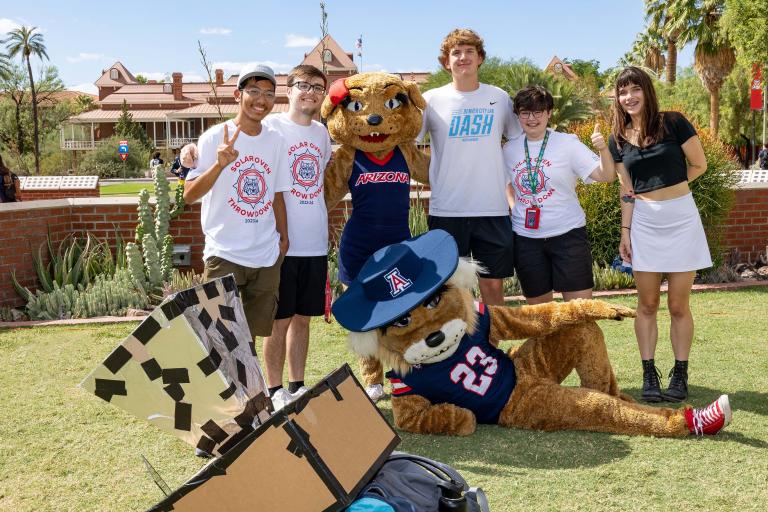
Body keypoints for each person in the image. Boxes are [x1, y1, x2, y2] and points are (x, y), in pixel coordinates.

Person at [601, 66, 709, 403]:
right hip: (644, 223)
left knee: (679, 305)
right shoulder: (617, 139)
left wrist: (673, 192)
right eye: (622, 92)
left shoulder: (674, 122)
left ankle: (680, 373)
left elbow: (699, 164)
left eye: (635, 89)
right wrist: (626, 232)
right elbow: (627, 190)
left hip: (682, 219)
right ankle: (649, 374)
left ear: (647, 91)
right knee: (647, 304)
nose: (629, 97)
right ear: (617, 99)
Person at [183, 63, 290, 362]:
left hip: (265, 254)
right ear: (237, 94)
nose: (262, 100)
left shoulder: (275, 141)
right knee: (219, 337)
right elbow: (189, 195)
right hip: (224, 252)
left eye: (269, 93)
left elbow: (277, 192)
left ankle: (250, 403)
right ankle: (225, 404)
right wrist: (219, 164)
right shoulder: (214, 137)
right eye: (254, 91)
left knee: (250, 339)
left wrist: (284, 238)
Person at [418, 28, 522, 306]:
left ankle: (491, 349)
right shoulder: (430, 99)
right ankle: (458, 350)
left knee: (493, 289)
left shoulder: (499, 98)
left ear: (480, 59)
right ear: (446, 62)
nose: (463, 57)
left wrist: (515, 194)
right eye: (456, 53)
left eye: (469, 52)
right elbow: (409, 145)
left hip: (492, 207)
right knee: (451, 292)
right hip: (447, 208)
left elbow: (517, 142)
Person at [503, 85, 616, 304]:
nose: (532, 118)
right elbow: (508, 183)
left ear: (549, 113)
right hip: (526, 240)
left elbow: (606, 175)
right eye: (525, 112)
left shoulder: (567, 144)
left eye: (538, 112)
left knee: (580, 315)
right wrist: (515, 207)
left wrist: (603, 149)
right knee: (542, 319)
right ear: (518, 115)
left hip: (568, 235)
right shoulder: (509, 149)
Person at [260, 65, 331, 410]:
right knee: (280, 319)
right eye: (303, 85)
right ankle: (274, 390)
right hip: (280, 242)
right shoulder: (270, 127)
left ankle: (297, 384)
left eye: (318, 87)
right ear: (288, 91)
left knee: (303, 318)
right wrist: (190, 153)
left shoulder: (321, 134)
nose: (311, 92)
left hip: (315, 241)